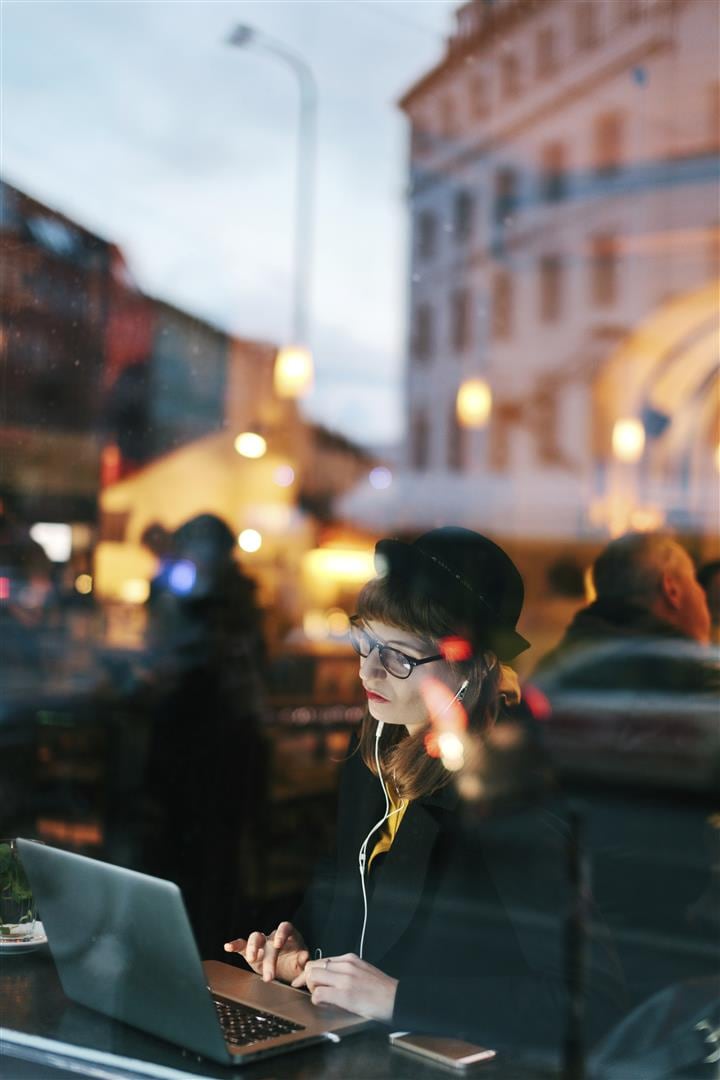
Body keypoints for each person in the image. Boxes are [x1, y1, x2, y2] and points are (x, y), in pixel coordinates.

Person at [225, 527, 622, 1051]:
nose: (368, 669)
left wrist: (400, 999)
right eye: (364, 640)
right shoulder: (373, 753)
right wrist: (303, 956)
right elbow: (347, 911)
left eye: (399, 657)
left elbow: (593, 1006)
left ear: (473, 667)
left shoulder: (504, 797)